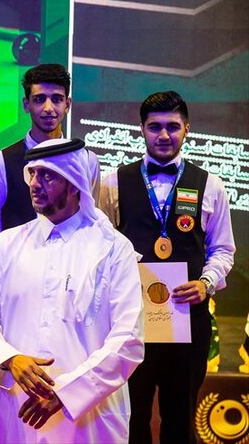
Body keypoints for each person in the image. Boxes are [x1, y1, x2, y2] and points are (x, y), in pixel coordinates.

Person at [0, 138, 144, 443]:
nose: (35, 184)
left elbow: (128, 340)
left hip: (89, 420)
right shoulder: (7, 245)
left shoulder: (113, 248)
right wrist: (10, 358)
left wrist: (67, 394)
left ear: (74, 184)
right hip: (17, 412)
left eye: (47, 176)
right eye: (32, 174)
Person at [99, 91, 235, 443]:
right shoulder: (113, 182)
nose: (163, 135)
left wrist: (205, 283)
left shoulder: (211, 185)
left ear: (187, 129)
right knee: (131, 420)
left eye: (172, 126)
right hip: (131, 322)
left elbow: (222, 249)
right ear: (141, 129)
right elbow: (100, 248)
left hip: (188, 318)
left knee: (181, 420)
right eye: (154, 126)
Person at [0, 64, 100, 240]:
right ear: (26, 104)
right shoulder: (2, 161)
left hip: (74, 256)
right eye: (39, 99)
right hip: (17, 257)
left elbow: (91, 219)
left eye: (56, 99)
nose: (48, 108)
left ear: (67, 104)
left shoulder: (87, 160)